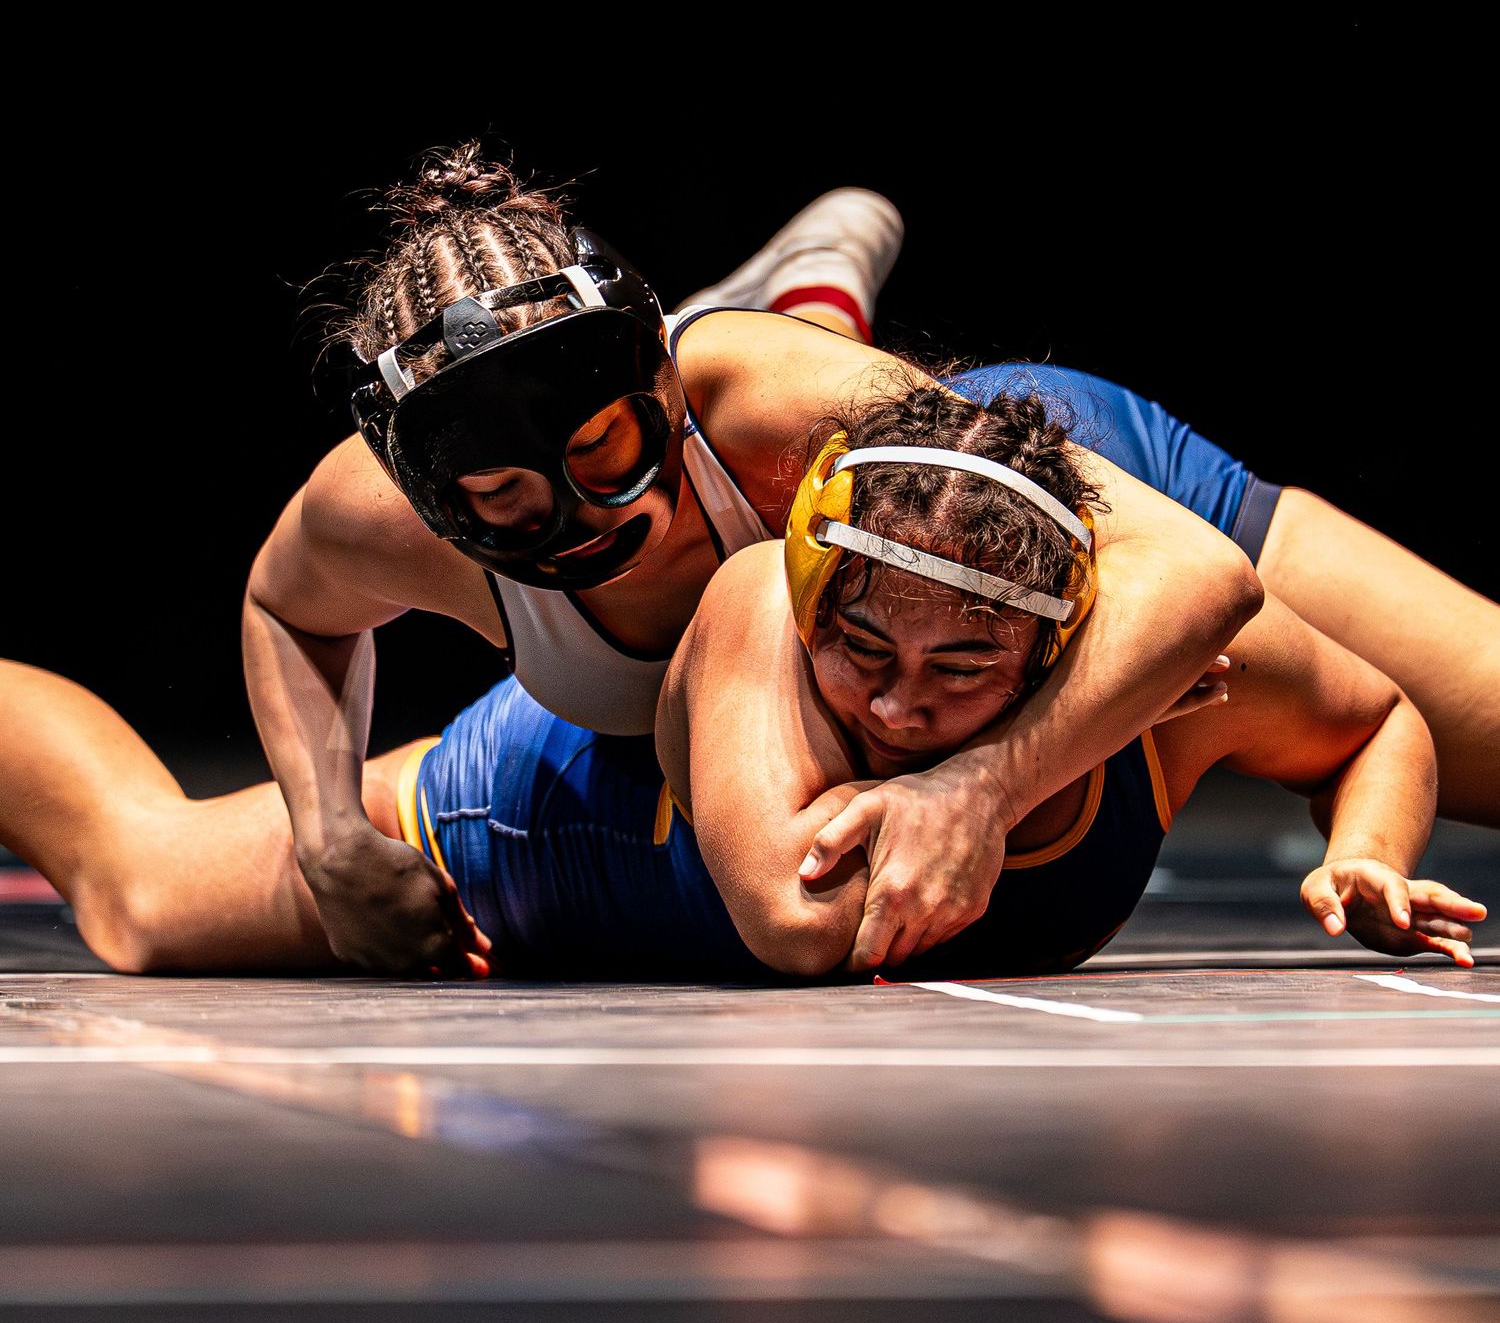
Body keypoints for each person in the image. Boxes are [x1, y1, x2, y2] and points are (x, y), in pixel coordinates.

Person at [0, 381, 1483, 980]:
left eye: (965, 670)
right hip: (524, 798)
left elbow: (1379, 712)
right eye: (865, 660)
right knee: (135, 887)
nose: (899, 708)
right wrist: (1001, 767)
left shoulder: (1162, 675)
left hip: (1030, 463)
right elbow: (792, 916)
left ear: (1075, 646)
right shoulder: (753, 598)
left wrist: (1364, 855)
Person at [244, 143, 1262, 976]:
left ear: (665, 388)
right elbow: (286, 610)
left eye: (606, 453)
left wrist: (1005, 768)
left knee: (812, 406)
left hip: (910, 451)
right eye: (509, 503)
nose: (585, 520)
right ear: (435, 501)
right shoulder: (371, 510)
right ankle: (797, 303)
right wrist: (327, 835)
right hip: (737, 614)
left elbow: (1199, 572)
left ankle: (817, 291)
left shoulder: (752, 395)